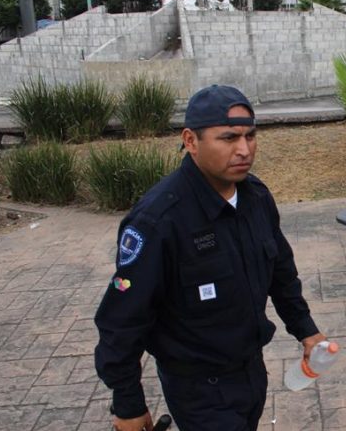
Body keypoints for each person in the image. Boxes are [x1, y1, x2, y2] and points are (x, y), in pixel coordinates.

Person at [94, 85, 325, 431]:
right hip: (199, 390)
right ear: (190, 141)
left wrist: (307, 331)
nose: (244, 150)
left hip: (250, 372)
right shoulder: (159, 220)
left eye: (250, 136)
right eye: (228, 138)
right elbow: (123, 320)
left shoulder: (256, 198)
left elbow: (281, 273)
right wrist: (128, 403)